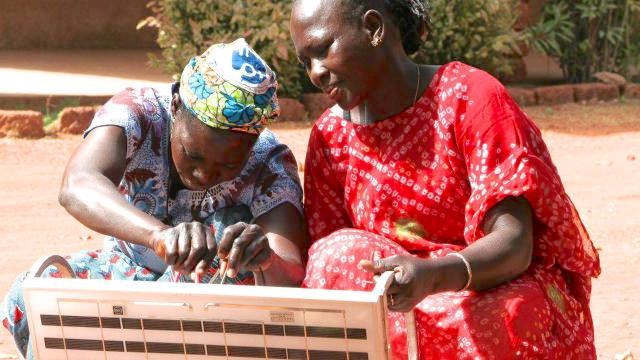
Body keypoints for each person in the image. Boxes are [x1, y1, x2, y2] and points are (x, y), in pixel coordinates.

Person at [290, 0, 600, 358]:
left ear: (374, 28)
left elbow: (515, 243)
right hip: (394, 309)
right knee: (334, 254)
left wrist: (434, 276)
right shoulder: (330, 137)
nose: (315, 72)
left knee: (514, 311)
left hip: (482, 289)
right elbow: (327, 268)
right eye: (305, 62)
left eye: (322, 50)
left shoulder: (469, 97)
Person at [1, 38, 307, 359]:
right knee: (39, 292)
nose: (204, 175)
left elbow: (290, 271)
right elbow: (78, 184)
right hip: (125, 272)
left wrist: (265, 258)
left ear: (253, 141)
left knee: (225, 248)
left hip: (205, 305)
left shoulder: (269, 161)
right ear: (176, 107)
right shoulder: (139, 112)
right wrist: (159, 236)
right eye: (194, 155)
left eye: (229, 165)